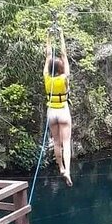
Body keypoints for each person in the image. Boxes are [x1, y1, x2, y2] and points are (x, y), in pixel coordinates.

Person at [44, 27, 73, 187]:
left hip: (51, 113)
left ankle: (60, 167)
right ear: (61, 68)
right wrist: (61, 34)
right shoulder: (64, 77)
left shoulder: (46, 77)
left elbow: (49, 55)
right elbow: (63, 54)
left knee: (56, 142)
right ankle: (67, 170)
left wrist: (48, 36)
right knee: (66, 142)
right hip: (63, 111)